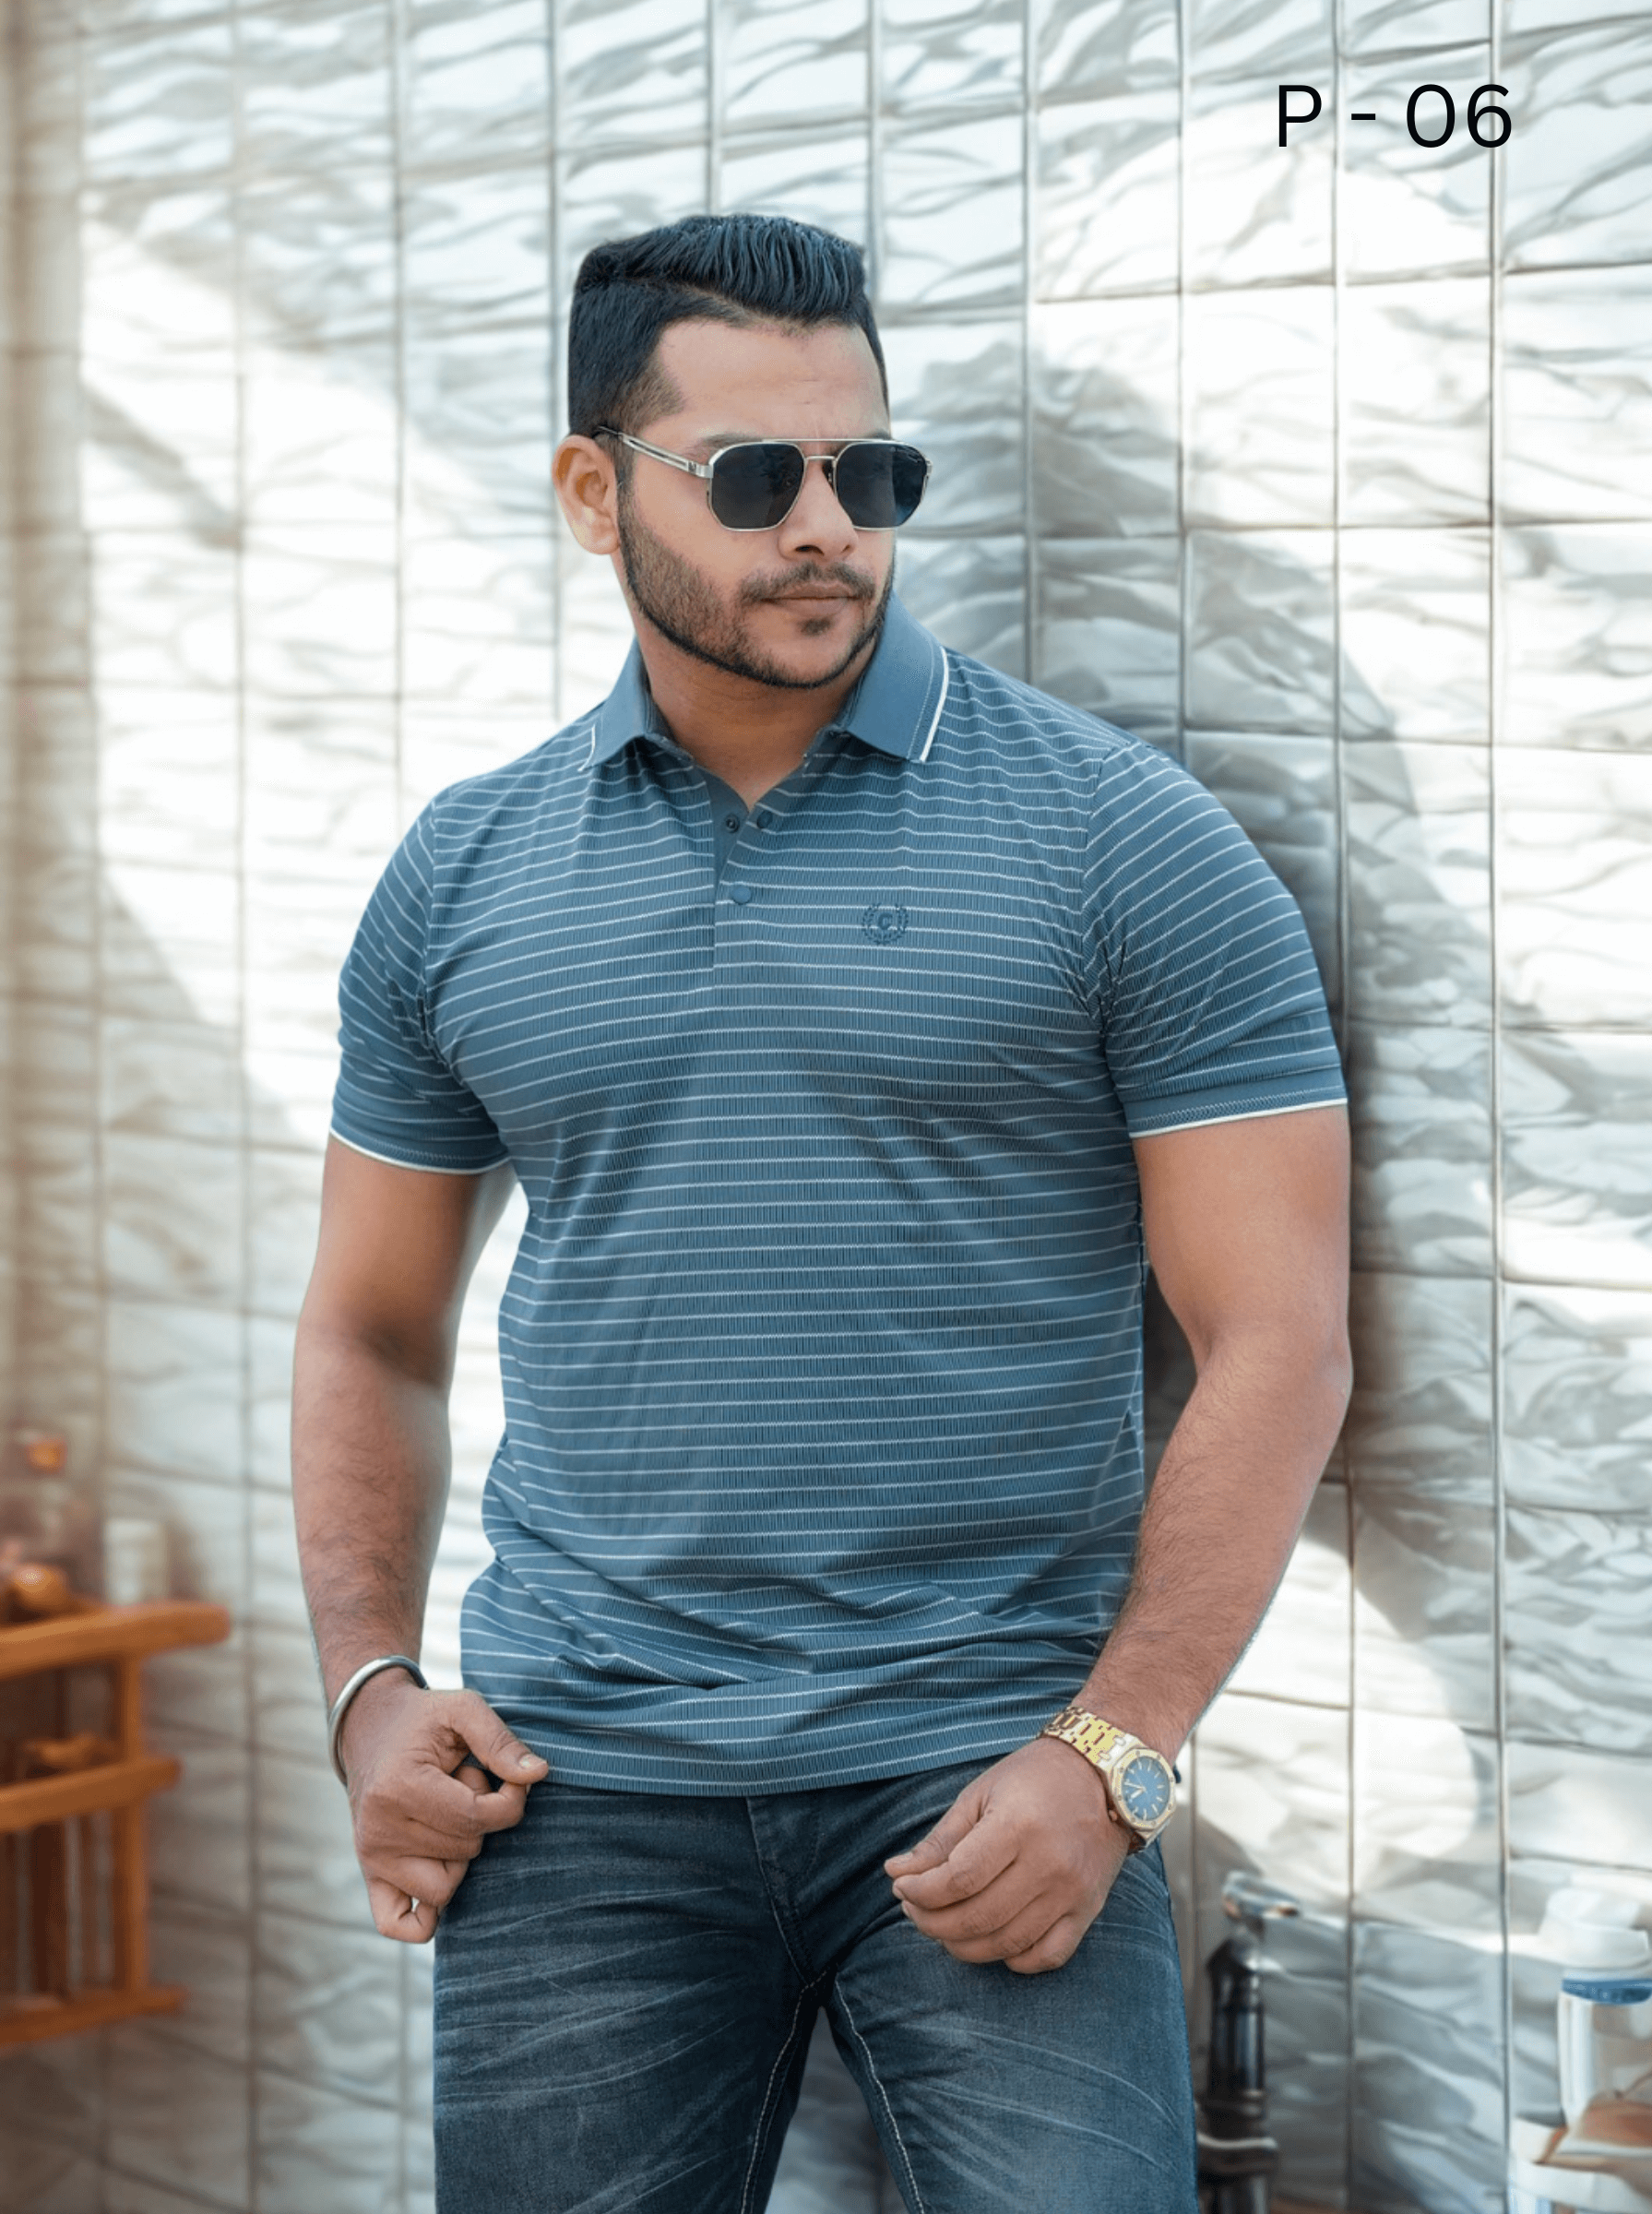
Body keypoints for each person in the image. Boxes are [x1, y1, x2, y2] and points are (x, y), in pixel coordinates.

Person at [292, 211, 1351, 2214]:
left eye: (870, 475)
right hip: (573, 1786)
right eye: (755, 475)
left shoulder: (1127, 844)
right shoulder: (462, 874)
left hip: (997, 1771)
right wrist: (367, 1693)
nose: (827, 530)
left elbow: (1282, 1342)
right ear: (594, 492)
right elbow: (370, 1327)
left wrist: (1116, 1757)